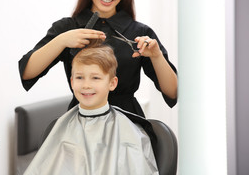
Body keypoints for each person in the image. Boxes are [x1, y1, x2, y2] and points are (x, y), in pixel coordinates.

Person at [19, 0, 178, 119]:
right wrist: (62, 40)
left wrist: (156, 56)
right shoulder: (68, 28)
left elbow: (173, 91)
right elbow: (27, 72)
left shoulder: (139, 33)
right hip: (81, 124)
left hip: (127, 125)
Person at [24, 41, 159, 175]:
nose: (86, 85)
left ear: (112, 83)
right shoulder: (60, 126)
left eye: (95, 78)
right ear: (72, 82)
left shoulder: (129, 131)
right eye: (80, 77)